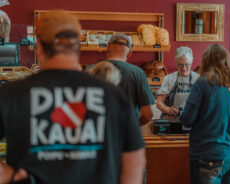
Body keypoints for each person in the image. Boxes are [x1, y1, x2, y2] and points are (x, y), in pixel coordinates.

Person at [0, 10, 145, 184]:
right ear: (78, 46)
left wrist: (7, 175)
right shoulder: (113, 96)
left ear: (38, 45)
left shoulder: (11, 94)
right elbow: (134, 160)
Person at [180, 44, 230, 184]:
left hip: (210, 155)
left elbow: (187, 120)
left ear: (206, 62)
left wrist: (180, 112)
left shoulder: (202, 84)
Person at [102, 33, 155, 126]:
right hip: (127, 130)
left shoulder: (90, 70)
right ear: (130, 53)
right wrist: (134, 126)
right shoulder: (137, 73)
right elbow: (148, 115)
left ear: (108, 48)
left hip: (98, 132)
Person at [156, 46, 199, 120]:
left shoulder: (198, 79)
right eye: (180, 64)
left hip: (191, 122)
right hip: (170, 120)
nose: (184, 68)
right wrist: (168, 110)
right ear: (176, 63)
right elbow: (159, 102)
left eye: (187, 64)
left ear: (191, 63)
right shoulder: (169, 79)